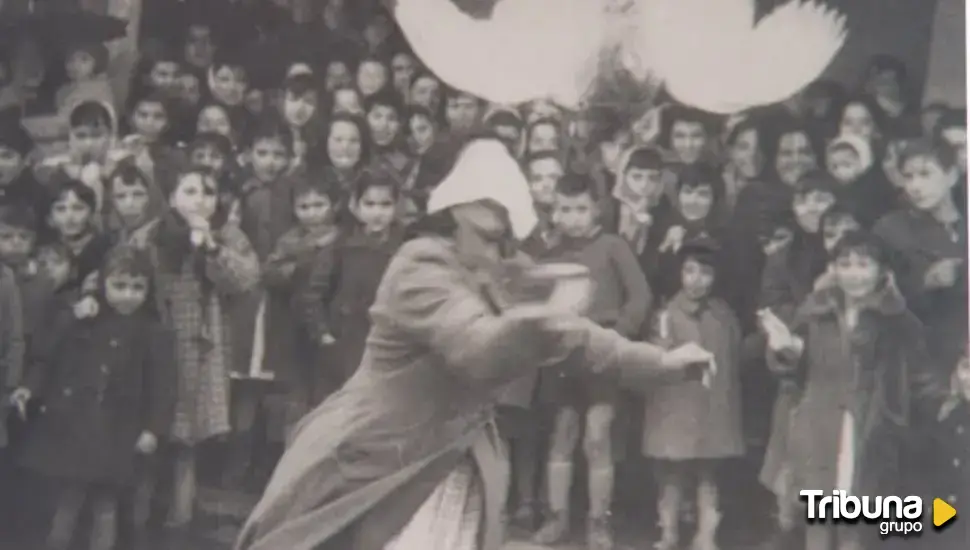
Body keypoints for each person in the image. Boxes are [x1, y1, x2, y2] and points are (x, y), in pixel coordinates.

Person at [234, 138, 714, 550]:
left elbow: (583, 338)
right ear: (450, 221)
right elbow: (475, 347)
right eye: (488, 236)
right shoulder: (418, 268)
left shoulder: (498, 265)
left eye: (507, 238)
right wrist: (540, 314)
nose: (504, 252)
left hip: (452, 464)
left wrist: (665, 362)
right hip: (372, 461)